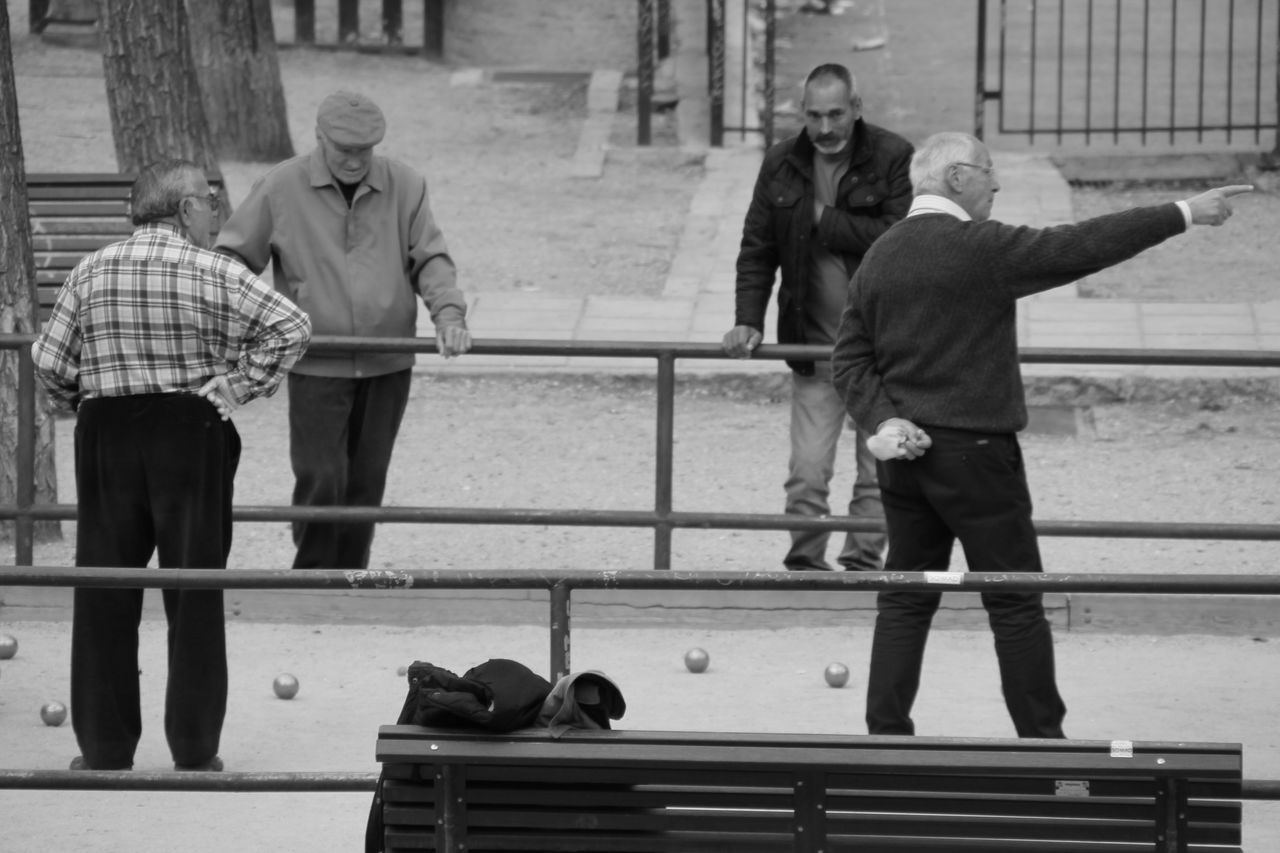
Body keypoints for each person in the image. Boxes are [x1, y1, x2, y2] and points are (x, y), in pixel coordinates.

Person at [832, 131, 1251, 737]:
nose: (996, 182)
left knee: (906, 596)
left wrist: (887, 420)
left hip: (905, 455)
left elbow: (849, 360)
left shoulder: (881, 254)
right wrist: (1183, 213)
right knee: (1015, 600)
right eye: (987, 171)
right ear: (954, 178)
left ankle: (885, 735)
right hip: (977, 454)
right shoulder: (979, 248)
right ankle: (1042, 743)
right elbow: (1081, 245)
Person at [31, 158, 312, 771]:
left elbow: (49, 360)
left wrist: (83, 399)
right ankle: (193, 747)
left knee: (104, 587)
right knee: (195, 590)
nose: (217, 213)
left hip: (107, 433)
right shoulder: (215, 270)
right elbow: (292, 326)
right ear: (186, 209)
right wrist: (237, 385)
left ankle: (104, 748)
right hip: (189, 431)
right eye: (210, 202)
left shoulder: (91, 269)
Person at [215, 90, 471, 570]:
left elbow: (430, 258)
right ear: (319, 138)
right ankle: (313, 572)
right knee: (319, 474)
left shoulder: (406, 184)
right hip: (316, 358)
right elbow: (232, 259)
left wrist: (448, 314)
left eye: (364, 151)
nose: (355, 161)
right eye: (344, 150)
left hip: (386, 357)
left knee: (367, 479)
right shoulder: (280, 185)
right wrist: (234, 322)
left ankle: (352, 573)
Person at [722, 63, 913, 572]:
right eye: (813, 116)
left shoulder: (894, 157)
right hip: (814, 346)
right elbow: (757, 248)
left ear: (857, 107)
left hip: (882, 350)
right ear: (800, 114)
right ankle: (805, 565)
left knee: (879, 471)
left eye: (835, 114)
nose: (825, 128)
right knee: (807, 471)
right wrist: (748, 318)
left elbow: (900, 239)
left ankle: (862, 566)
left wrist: (824, 220)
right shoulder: (781, 163)